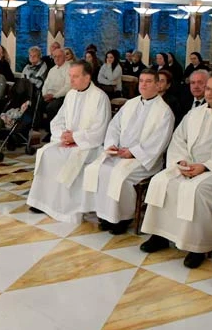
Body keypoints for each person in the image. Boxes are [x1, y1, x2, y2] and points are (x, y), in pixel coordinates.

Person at [139, 73, 212, 269]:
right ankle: (160, 235)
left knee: (196, 191)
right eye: (208, 89)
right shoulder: (194, 113)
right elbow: (178, 139)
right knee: (160, 181)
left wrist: (204, 166)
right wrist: (182, 162)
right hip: (187, 165)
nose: (209, 93)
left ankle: (197, 247)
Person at [84, 69, 174, 235]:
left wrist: (133, 153)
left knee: (121, 176)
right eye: (141, 81)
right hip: (120, 152)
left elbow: (159, 141)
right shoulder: (130, 104)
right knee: (100, 169)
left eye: (148, 81)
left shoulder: (164, 112)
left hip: (143, 159)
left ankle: (123, 218)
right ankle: (105, 215)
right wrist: (111, 144)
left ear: (157, 85)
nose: (144, 84)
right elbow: (114, 126)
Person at [26, 61, 111, 223]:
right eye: (70, 76)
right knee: (46, 153)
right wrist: (63, 135)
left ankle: (68, 206)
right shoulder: (71, 95)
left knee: (67, 159)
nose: (71, 81)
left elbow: (100, 129)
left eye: (75, 77)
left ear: (87, 77)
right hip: (67, 141)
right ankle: (44, 201)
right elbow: (58, 120)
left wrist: (76, 137)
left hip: (89, 146)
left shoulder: (100, 97)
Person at [40, 47, 72, 131]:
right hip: (49, 96)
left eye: (59, 56)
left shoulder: (68, 68)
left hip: (61, 96)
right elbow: (45, 84)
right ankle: (40, 128)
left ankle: (53, 131)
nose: (57, 58)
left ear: (64, 57)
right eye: (55, 56)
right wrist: (44, 94)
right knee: (36, 103)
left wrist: (54, 96)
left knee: (51, 107)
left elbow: (68, 86)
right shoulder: (52, 70)